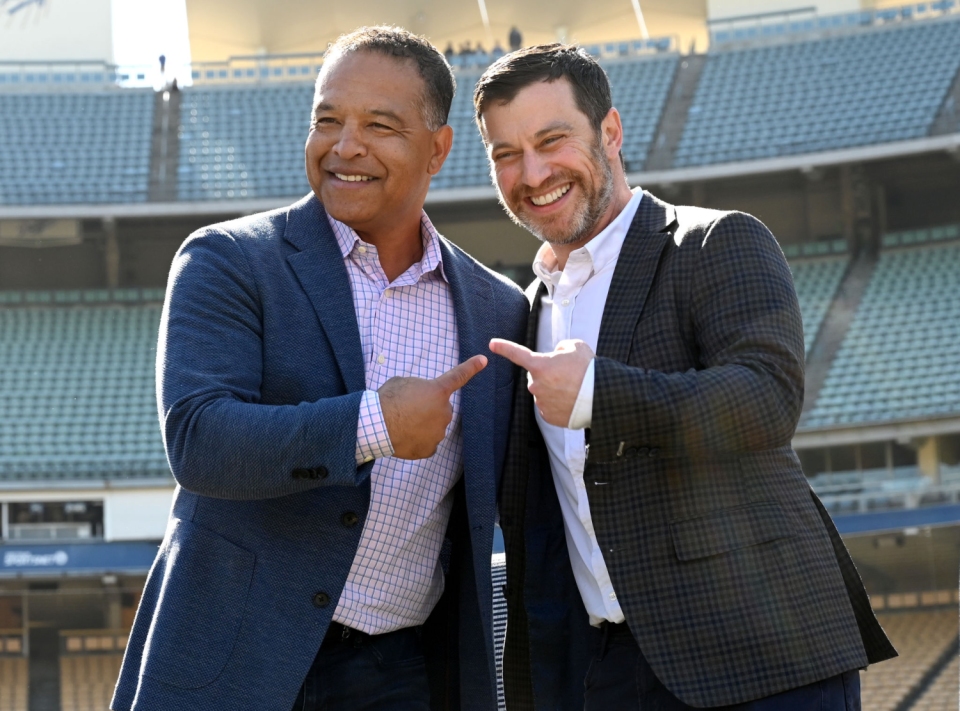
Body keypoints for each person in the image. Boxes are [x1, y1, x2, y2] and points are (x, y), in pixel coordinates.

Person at [111, 27, 526, 711]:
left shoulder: (497, 310)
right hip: (230, 665)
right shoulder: (229, 260)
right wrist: (375, 424)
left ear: (439, 149)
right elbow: (200, 439)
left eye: (379, 125)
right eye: (327, 120)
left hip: (399, 671)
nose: (344, 146)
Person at [474, 44, 897, 710]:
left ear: (609, 132)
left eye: (552, 140)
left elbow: (767, 396)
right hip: (609, 673)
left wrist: (595, 393)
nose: (532, 172)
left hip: (762, 658)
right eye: (506, 154)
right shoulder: (527, 309)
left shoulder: (715, 241)